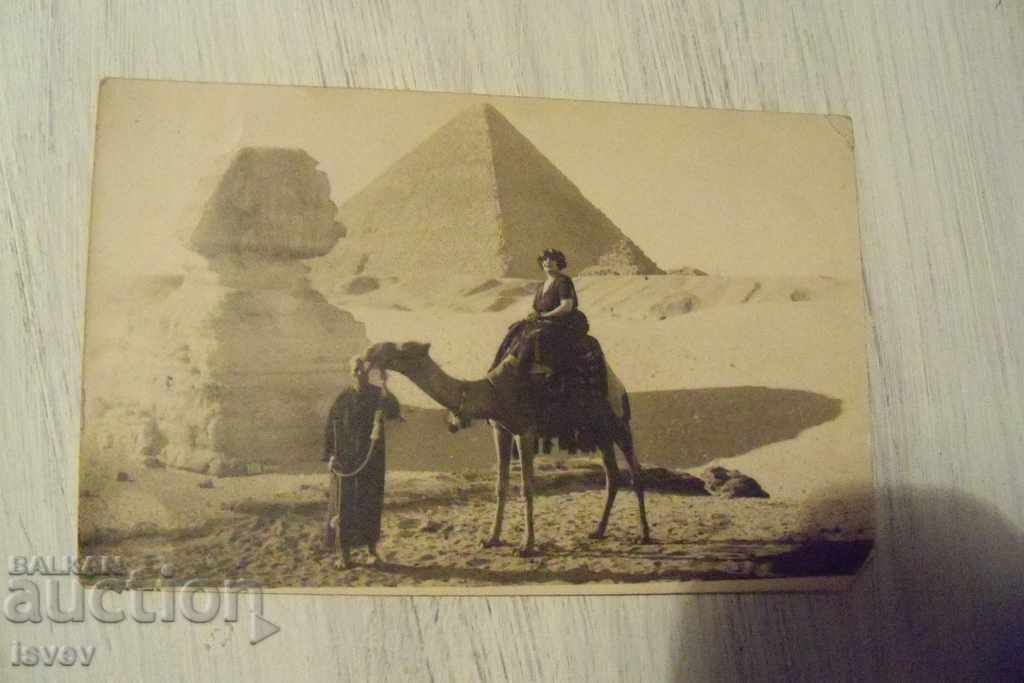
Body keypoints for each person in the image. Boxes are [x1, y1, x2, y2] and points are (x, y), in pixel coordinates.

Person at [322, 357, 400, 569]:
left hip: (371, 460)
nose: (359, 374)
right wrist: (330, 455)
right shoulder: (342, 399)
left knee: (370, 505)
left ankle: (371, 552)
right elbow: (331, 428)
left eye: (363, 370)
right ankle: (345, 555)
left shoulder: (377, 395)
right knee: (344, 507)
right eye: (356, 370)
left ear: (368, 372)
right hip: (346, 462)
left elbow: (394, 412)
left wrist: (385, 385)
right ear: (351, 372)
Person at [492, 248, 589, 381]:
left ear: (559, 262)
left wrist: (545, 315)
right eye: (544, 259)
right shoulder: (542, 286)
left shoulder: (563, 281)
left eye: (551, 259)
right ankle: (500, 367)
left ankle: (523, 373)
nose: (547, 262)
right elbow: (537, 308)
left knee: (534, 336)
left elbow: (566, 306)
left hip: (562, 322)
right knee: (515, 329)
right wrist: (533, 314)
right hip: (544, 320)